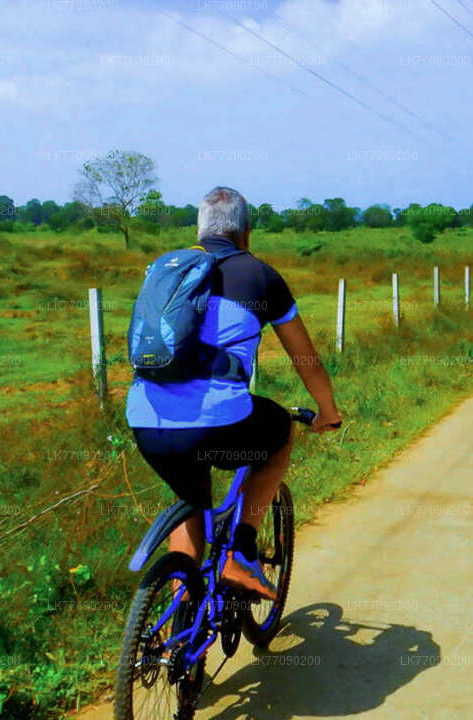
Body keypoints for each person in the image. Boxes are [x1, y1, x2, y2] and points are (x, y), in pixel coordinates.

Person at [127, 186, 342, 600]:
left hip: (146, 420)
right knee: (280, 429)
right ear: (246, 232)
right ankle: (241, 553)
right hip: (217, 425)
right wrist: (327, 412)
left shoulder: (164, 270)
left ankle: (175, 645)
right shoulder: (260, 276)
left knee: (189, 498)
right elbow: (306, 360)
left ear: (199, 229)